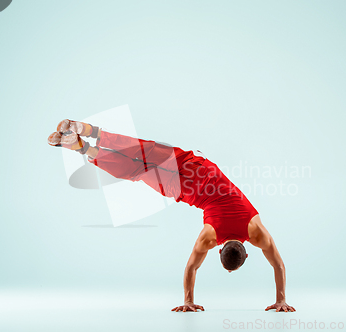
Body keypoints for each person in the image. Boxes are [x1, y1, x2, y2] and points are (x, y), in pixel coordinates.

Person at [48, 119, 296, 313]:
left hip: (198, 166)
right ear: (219, 250)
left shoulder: (256, 230)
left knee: (142, 149)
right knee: (136, 169)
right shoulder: (210, 236)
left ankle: (86, 129)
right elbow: (192, 267)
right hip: (181, 188)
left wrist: (281, 299)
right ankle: (80, 146)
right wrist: (188, 302)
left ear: (246, 249)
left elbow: (279, 265)